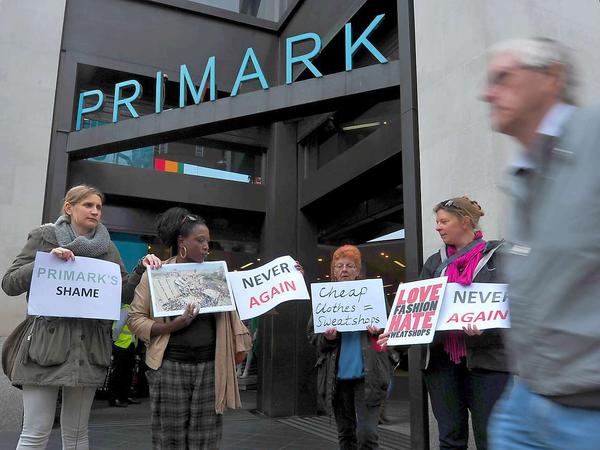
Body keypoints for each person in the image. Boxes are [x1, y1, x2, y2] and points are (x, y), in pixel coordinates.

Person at [482, 37, 600, 448]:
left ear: (551, 76)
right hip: (527, 398)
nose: (487, 93)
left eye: (502, 77)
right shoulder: (521, 175)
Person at [1, 185, 135, 449]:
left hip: (88, 349)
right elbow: (9, 283)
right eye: (88, 205)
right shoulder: (44, 237)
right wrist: (44, 262)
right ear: (69, 208)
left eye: (99, 207)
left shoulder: (108, 248)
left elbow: (123, 294)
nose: (95, 211)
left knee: (76, 435)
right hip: (45, 347)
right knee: (35, 432)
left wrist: (141, 270)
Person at [379, 196, 510, 449]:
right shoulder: (434, 263)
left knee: (492, 439)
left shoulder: (498, 259)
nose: (437, 227)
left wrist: (487, 326)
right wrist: (396, 334)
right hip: (441, 363)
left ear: (465, 222)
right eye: (437, 221)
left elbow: (516, 309)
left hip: (488, 363)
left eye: (444, 221)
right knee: (450, 438)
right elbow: (418, 309)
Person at [128, 207, 252, 449]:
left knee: (206, 439)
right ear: (181, 242)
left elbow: (256, 292)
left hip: (210, 368)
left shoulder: (217, 275)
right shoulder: (156, 274)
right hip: (169, 367)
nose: (206, 247)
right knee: (169, 438)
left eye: (208, 241)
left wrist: (289, 275)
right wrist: (172, 326)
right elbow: (135, 319)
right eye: (200, 240)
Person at [308, 244, 393, 450]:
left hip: (369, 376)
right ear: (334, 271)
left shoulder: (373, 295)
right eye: (339, 266)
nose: (344, 270)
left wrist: (380, 331)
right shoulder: (325, 298)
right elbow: (313, 337)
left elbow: (392, 331)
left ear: (357, 271)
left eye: (349, 266)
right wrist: (327, 338)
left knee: (367, 434)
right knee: (346, 434)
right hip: (336, 378)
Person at [107, 303, 140, 407]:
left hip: (129, 345)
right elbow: (117, 328)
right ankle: (115, 398)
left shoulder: (132, 309)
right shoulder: (126, 310)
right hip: (121, 345)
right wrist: (115, 341)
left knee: (128, 373)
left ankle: (124, 396)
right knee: (118, 373)